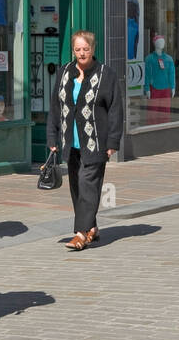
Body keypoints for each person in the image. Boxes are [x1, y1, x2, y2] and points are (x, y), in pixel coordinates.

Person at [47, 31, 122, 251]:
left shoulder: (105, 74)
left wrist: (112, 143)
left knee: (88, 187)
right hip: (71, 144)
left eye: (86, 49)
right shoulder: (64, 73)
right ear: (73, 50)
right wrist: (52, 138)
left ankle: (80, 234)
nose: (82, 53)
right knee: (77, 189)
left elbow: (116, 110)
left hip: (96, 143)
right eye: (78, 49)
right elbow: (55, 108)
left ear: (93, 49)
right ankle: (92, 228)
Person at [143, 35, 176, 125]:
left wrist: (173, 87)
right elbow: (147, 75)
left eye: (162, 41)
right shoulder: (149, 59)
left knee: (165, 111)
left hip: (166, 88)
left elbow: (172, 74)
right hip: (154, 88)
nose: (161, 43)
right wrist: (147, 89)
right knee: (153, 111)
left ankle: (164, 128)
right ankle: (152, 128)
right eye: (159, 41)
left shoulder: (169, 59)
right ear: (154, 43)